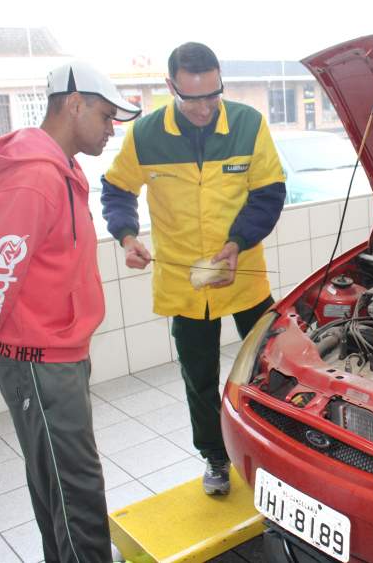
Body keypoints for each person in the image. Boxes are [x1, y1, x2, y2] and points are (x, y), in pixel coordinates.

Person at [0, 61, 141, 563]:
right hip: (37, 358)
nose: (111, 130)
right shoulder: (35, 179)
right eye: (106, 117)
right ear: (74, 103)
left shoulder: (64, 169)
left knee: (57, 483)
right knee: (75, 489)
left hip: (58, 351)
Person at [101, 42, 285, 495]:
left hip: (242, 273)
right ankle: (215, 459)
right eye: (192, 98)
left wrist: (238, 242)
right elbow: (116, 189)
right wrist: (127, 236)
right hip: (184, 283)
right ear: (170, 88)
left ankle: (281, 451)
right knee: (198, 378)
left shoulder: (248, 124)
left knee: (274, 365)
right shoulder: (144, 135)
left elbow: (269, 191)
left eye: (212, 95)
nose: (204, 108)